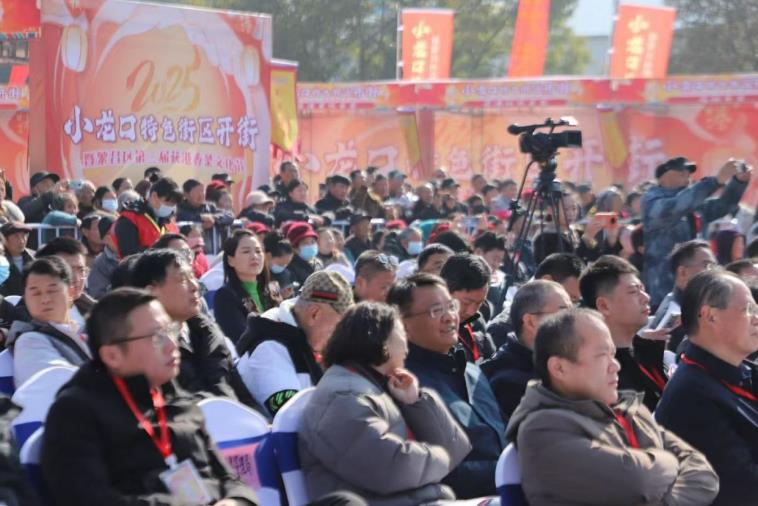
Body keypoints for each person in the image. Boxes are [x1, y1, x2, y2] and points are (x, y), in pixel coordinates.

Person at [40, 288, 260, 506]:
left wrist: (235, 501)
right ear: (112, 355)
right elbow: (87, 499)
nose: (172, 345)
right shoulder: (76, 413)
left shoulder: (177, 398)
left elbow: (230, 479)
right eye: (156, 337)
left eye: (170, 330)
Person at [506, 308, 719, 506]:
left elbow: (704, 475)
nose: (615, 365)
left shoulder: (629, 410)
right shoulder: (541, 429)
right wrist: (670, 462)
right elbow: (638, 481)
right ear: (559, 368)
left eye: (613, 354)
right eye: (601, 356)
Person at [298, 302, 471, 505]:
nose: (407, 343)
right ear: (381, 341)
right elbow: (391, 469)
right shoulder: (342, 397)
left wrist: (414, 401)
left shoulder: (376, 384)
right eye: (401, 332)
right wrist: (441, 458)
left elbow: (456, 448)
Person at [387, 273, 506, 499]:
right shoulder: (404, 384)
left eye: (450, 306)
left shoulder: (471, 370)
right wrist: (510, 470)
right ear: (403, 324)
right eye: (435, 311)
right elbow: (436, 471)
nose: (450, 317)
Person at [656, 270, 758, 505]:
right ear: (709, 316)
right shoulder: (691, 397)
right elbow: (744, 489)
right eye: (748, 310)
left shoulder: (738, 370)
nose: (756, 318)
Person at [129, 249, 242, 402]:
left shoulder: (207, 332)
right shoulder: (146, 350)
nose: (195, 286)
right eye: (182, 279)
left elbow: (242, 393)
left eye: (193, 277)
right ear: (151, 293)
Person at [236, 271, 353, 417]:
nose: (339, 338)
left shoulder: (303, 337)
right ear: (314, 314)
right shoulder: (269, 350)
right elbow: (291, 419)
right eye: (337, 328)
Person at [642, 157, 750, 307]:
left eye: (688, 173)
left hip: (696, 285)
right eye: (681, 172)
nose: (687, 176)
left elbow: (722, 206)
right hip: (663, 287)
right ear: (664, 176)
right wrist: (715, 181)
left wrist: (738, 183)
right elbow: (677, 206)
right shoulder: (652, 199)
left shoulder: (692, 202)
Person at [580, 255, 667, 412]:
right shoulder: (602, 375)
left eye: (643, 290)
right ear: (604, 305)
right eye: (634, 292)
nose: (646, 298)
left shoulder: (646, 354)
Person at [481, 280, 572, 417]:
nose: (572, 323)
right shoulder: (509, 383)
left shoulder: (555, 363)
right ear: (530, 321)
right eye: (563, 315)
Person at [7, 257, 90, 387]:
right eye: (36, 293)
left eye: (52, 290)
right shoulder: (29, 341)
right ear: (26, 299)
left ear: (71, 292)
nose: (45, 299)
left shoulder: (85, 331)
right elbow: (56, 380)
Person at [650, 240, 716, 352]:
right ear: (683, 272)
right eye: (707, 265)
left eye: (714, 266)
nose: (713, 272)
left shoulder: (692, 305)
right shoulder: (674, 313)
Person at [214, 230, 272, 343]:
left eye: (258, 251)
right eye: (246, 252)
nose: (254, 256)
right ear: (231, 260)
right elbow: (241, 338)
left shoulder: (272, 289)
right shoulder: (226, 296)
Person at [439, 253, 496, 362]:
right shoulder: (425, 331)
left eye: (479, 303)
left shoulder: (478, 322)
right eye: (466, 303)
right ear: (444, 289)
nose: (471, 312)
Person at [111, 177, 182, 258]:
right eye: (168, 202)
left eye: (174, 204)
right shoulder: (130, 219)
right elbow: (129, 255)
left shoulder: (169, 221)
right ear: (154, 196)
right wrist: (162, 253)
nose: (171, 207)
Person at [34, 237, 96, 329]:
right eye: (68, 270)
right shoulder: (30, 317)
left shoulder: (93, 308)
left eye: (81, 270)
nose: (76, 278)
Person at [86, 216, 119, 299]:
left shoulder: (137, 251)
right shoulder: (100, 264)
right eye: (111, 233)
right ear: (104, 239)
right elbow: (97, 296)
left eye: (119, 230)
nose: (118, 235)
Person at [0, 222, 33, 297]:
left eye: (24, 236)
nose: (22, 241)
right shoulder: (1, 262)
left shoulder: (34, 258)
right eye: (16, 236)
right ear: (4, 239)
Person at [286, 222, 323, 287]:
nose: (311, 245)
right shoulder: (290, 268)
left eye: (313, 242)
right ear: (295, 248)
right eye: (305, 243)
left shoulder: (318, 263)